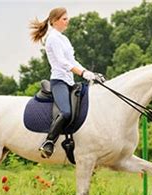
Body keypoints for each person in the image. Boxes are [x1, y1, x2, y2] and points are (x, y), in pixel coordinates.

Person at [30, 7, 101, 159]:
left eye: (67, 18)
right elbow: (62, 63)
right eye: (64, 19)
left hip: (70, 81)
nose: (67, 21)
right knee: (66, 112)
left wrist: (89, 73)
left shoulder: (64, 39)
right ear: (55, 21)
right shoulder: (53, 38)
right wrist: (82, 73)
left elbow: (72, 60)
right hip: (59, 81)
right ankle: (48, 142)